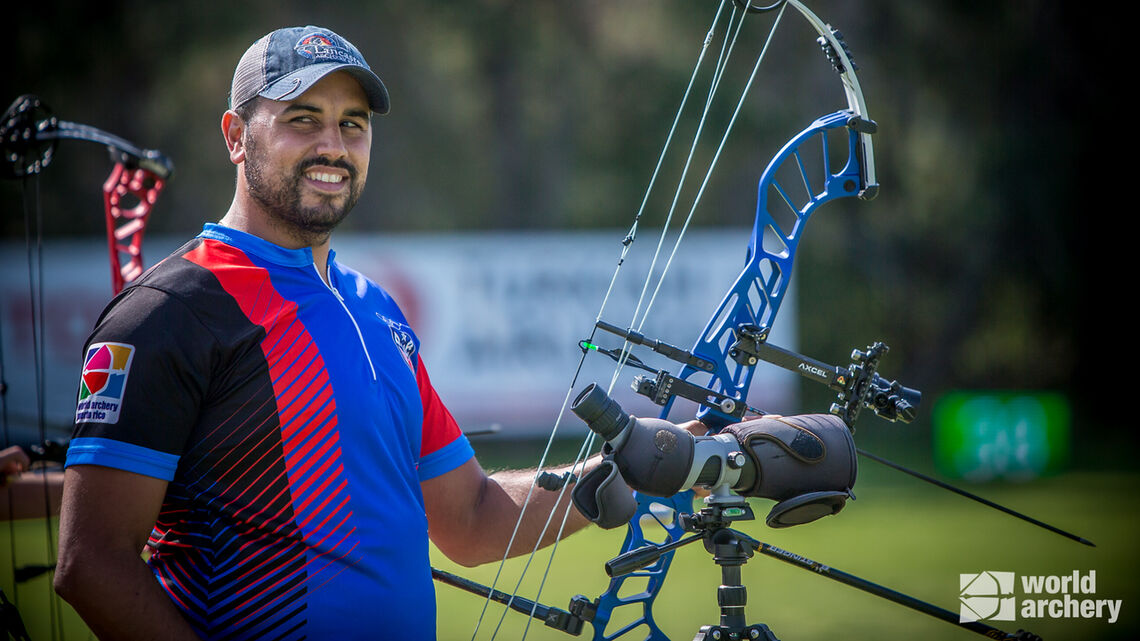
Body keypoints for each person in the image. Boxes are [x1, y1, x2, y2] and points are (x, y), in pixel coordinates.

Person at [53, 26, 596, 640]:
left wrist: (629, 469)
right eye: (303, 120)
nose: (333, 146)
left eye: (353, 124)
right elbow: (90, 564)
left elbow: (472, 519)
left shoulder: (376, 309)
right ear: (236, 136)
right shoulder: (167, 310)